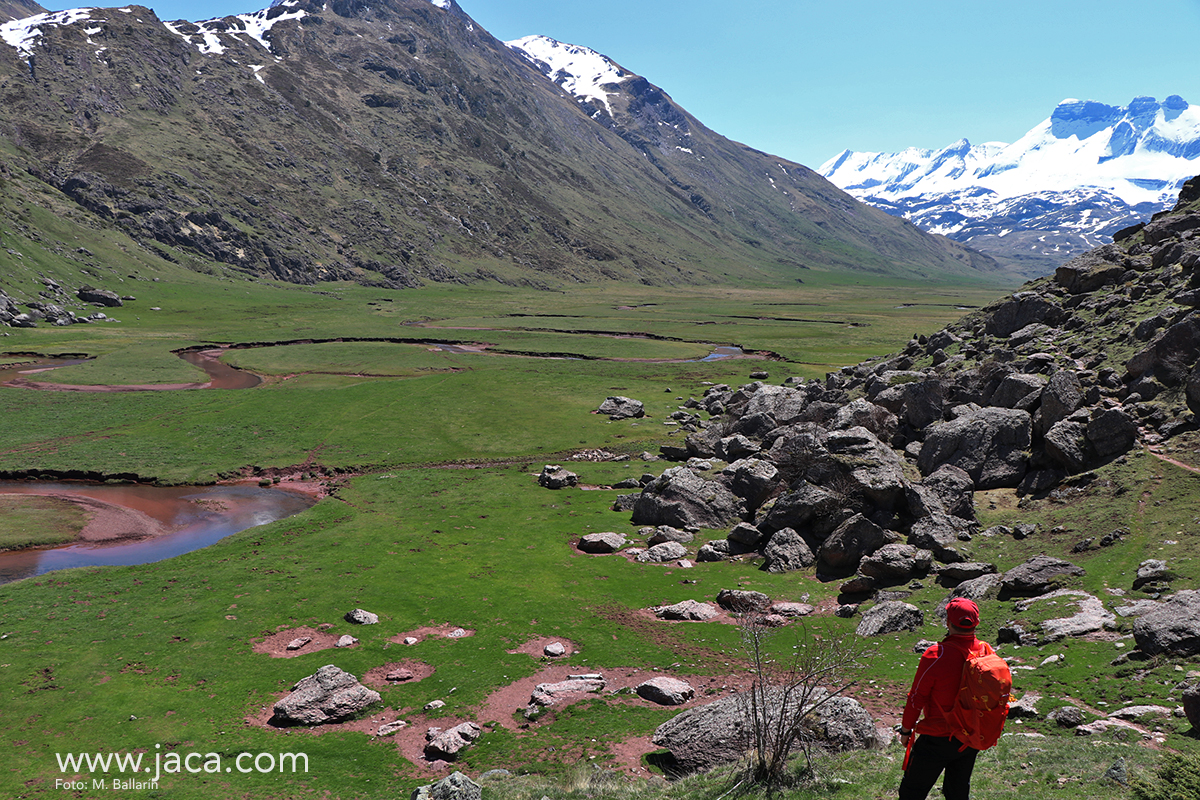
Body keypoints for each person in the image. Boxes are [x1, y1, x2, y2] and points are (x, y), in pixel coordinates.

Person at [897, 597, 995, 800]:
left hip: (937, 738)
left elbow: (917, 697)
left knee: (911, 792)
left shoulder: (935, 655)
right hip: (970, 738)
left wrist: (906, 730)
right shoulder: (985, 651)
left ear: (948, 623)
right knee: (957, 793)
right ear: (976, 623)